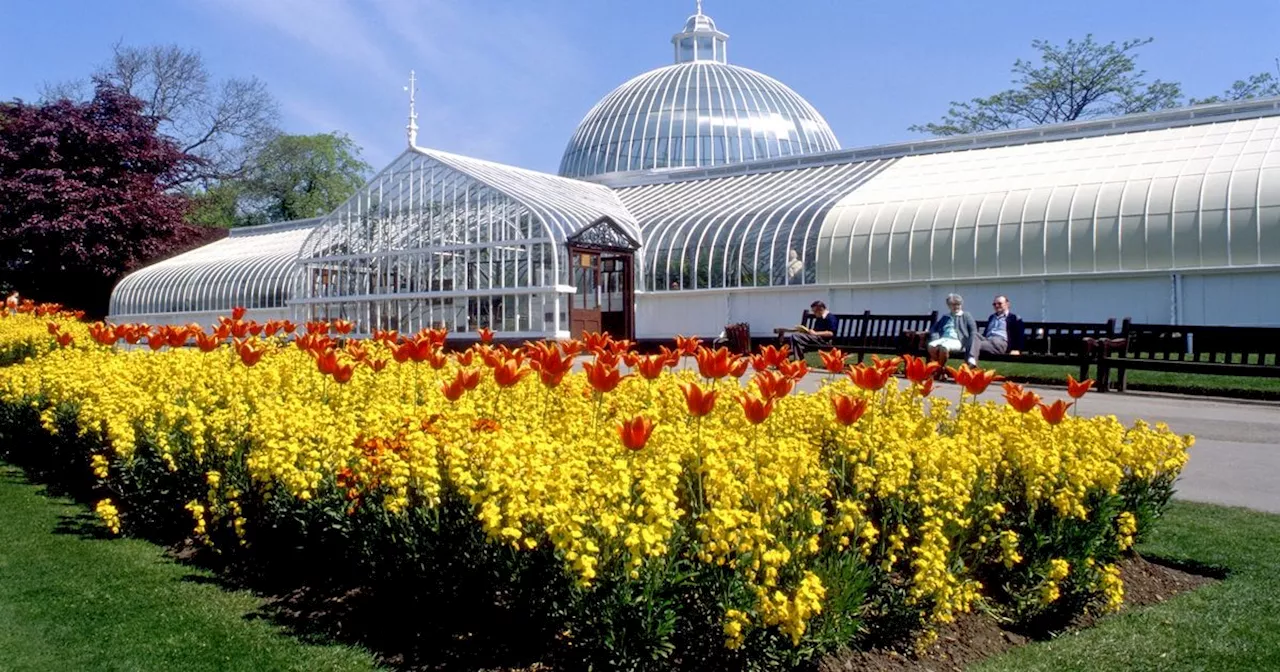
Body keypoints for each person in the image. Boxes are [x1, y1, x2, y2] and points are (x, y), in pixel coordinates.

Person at [927, 293, 978, 369]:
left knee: (943, 348)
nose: (956, 307)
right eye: (953, 304)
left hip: (958, 340)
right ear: (949, 306)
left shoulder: (966, 315)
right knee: (931, 346)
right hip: (944, 339)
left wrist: (969, 344)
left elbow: (973, 330)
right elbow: (934, 329)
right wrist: (935, 337)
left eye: (958, 304)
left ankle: (939, 370)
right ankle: (942, 369)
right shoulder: (945, 317)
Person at [973, 295, 1024, 363]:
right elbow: (985, 333)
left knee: (974, 345)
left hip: (999, 342)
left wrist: (1017, 350)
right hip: (987, 340)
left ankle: (969, 351)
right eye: (994, 304)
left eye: (999, 303)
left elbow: (1019, 335)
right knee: (972, 335)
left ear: (1007, 304)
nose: (996, 306)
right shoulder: (992, 317)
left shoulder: (1014, 318)